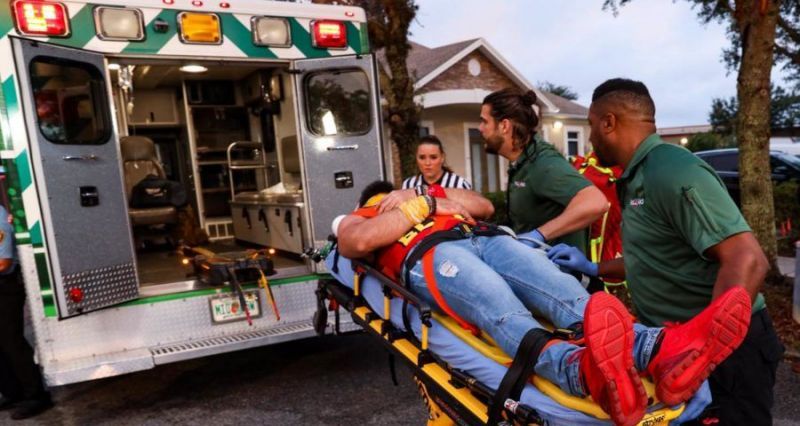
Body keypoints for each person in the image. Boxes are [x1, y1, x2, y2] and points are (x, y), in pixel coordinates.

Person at [336, 180, 752, 426]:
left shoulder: (430, 193)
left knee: (567, 295)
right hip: (430, 255)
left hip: (488, 238)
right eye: (385, 194)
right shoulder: (368, 215)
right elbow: (356, 243)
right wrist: (419, 207)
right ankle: (579, 373)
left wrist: (429, 196)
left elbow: (482, 206)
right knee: (499, 308)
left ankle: (658, 352)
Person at [547, 78, 784, 425]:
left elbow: (747, 258)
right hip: (672, 349)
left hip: (724, 354)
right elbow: (654, 257)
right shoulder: (637, 177)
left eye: (592, 127)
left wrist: (703, 348)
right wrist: (594, 268)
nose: (591, 138)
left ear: (609, 122)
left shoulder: (672, 169)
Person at [478, 88, 608, 253]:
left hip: (559, 275)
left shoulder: (543, 163)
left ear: (504, 126)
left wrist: (538, 235)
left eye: (484, 121)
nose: (480, 128)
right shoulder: (521, 162)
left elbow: (596, 202)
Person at [0, 205, 53, 420]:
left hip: (5, 287)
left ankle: (37, 395)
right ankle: (14, 392)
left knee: (11, 341)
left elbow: (4, 262)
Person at [402, 135, 472, 190]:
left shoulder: (460, 185)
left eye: (433, 157)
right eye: (422, 157)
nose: (427, 163)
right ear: (416, 158)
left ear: (442, 157)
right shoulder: (408, 185)